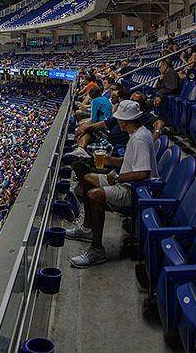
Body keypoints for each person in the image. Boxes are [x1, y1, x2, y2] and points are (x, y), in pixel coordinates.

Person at [68, 100, 154, 268]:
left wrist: (118, 178)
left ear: (124, 121)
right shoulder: (137, 133)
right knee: (88, 179)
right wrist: (107, 160)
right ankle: (87, 228)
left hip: (135, 189)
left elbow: (144, 173)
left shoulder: (139, 139)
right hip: (126, 181)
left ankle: (97, 250)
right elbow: (127, 162)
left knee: (94, 195)